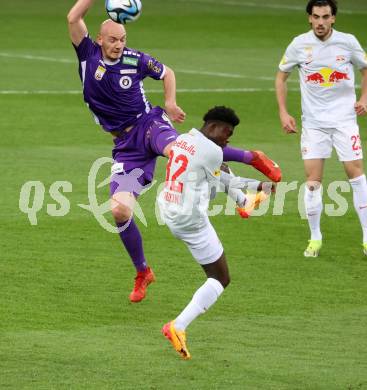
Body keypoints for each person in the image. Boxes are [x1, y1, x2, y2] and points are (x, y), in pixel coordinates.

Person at [67, 0, 281, 303]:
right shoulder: (87, 55)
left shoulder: (136, 59)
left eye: (122, 39)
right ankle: (143, 272)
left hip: (149, 125)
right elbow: (74, 16)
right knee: (119, 210)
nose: (118, 45)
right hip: (126, 149)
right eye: (112, 40)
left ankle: (249, 167)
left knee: (186, 152)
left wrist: (169, 102)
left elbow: (167, 72)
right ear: (99, 39)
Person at [159, 106, 270, 360]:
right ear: (212, 127)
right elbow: (230, 170)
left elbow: (221, 168)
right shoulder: (211, 150)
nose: (227, 139)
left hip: (168, 209)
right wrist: (262, 178)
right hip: (190, 221)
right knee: (221, 278)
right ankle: (178, 326)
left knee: (218, 172)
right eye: (227, 132)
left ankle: (245, 203)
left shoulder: (183, 138)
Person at [275, 0, 367, 257]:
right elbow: (281, 76)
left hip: (345, 121)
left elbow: (365, 68)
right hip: (314, 124)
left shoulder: (348, 42)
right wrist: (283, 112)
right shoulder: (299, 44)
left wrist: (363, 98)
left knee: (355, 175)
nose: (320, 22)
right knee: (313, 181)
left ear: (334, 18)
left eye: (326, 17)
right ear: (309, 18)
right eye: (316, 17)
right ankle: (315, 238)